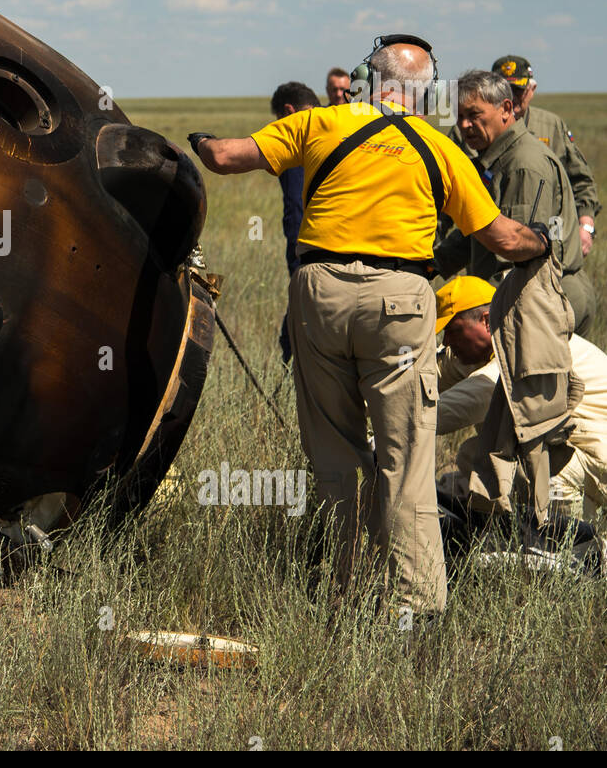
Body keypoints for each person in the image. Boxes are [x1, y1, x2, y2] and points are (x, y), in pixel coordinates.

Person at [188, 35, 549, 617]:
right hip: (401, 304)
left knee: (335, 454)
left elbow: (225, 157)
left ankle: (344, 593)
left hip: (318, 294)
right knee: (406, 458)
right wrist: (544, 239)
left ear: (366, 77)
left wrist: (199, 140)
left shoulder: (320, 123)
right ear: (425, 93)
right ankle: (414, 607)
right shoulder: (440, 147)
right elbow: (503, 238)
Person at [435, 276, 607, 524]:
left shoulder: (524, 343)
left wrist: (398, 427)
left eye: (453, 330)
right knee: (472, 457)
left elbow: (480, 393)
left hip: (594, 457)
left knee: (540, 469)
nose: (447, 341)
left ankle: (575, 546)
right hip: (579, 452)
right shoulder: (483, 345)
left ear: (485, 320)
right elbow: (433, 372)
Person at [435, 69, 594, 336]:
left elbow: (512, 252)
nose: (464, 125)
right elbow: (479, 234)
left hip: (546, 300)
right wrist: (431, 264)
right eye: (459, 116)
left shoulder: (521, 165)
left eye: (474, 115)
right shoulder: (495, 160)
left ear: (506, 109)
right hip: (532, 297)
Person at [493, 56, 599, 258]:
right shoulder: (475, 127)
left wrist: (586, 226)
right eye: (502, 91)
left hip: (553, 250)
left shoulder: (552, 126)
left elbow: (582, 180)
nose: (510, 98)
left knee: (580, 291)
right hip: (495, 251)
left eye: (517, 90)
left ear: (531, 91)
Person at [268, 81, 319, 362]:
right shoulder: (343, 127)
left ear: (288, 111)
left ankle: (292, 380)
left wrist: (298, 261)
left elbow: (296, 208)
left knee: (298, 334)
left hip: (311, 253)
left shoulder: (299, 138)